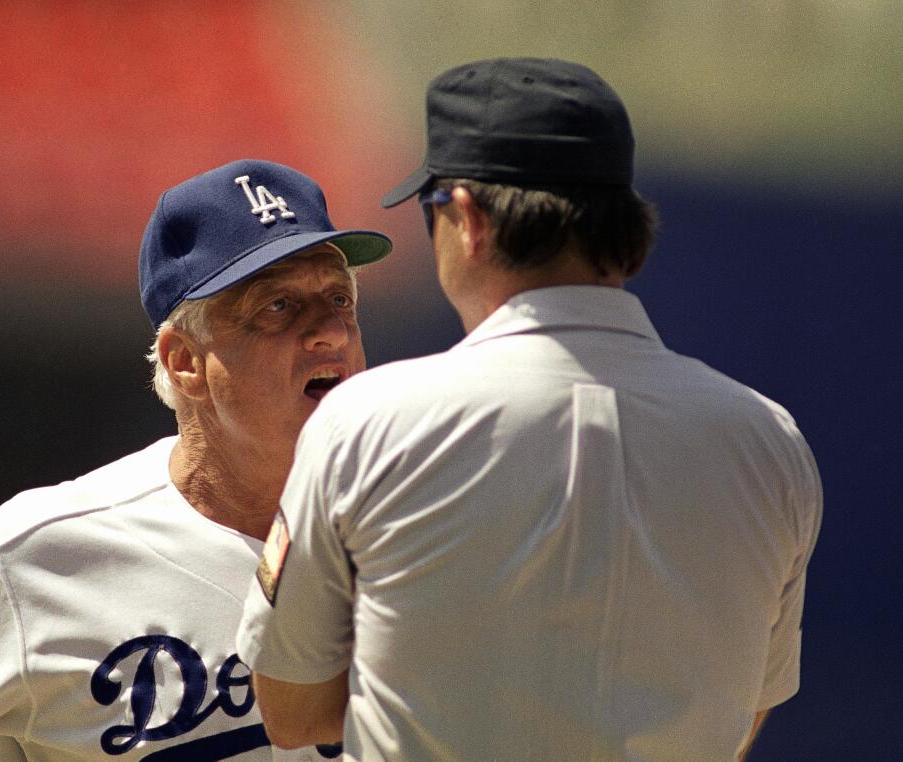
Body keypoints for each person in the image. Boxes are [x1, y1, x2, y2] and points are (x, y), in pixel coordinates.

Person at [236, 58, 823, 760]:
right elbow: (743, 716)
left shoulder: (366, 422)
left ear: (468, 219)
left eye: (432, 214)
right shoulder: (769, 441)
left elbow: (295, 712)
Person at [0, 159, 391, 761]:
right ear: (185, 361)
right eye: (277, 307)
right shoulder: (31, 557)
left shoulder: (415, 517)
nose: (329, 332)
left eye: (338, 300)